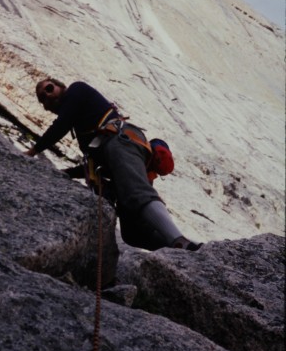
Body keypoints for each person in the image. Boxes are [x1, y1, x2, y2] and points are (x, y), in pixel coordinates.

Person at [25, 78, 202, 251]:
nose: (48, 96)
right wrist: (67, 173)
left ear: (60, 86)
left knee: (137, 193)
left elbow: (61, 125)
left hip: (120, 141)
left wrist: (33, 151)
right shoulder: (83, 127)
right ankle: (184, 250)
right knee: (133, 234)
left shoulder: (76, 90)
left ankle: (178, 241)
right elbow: (90, 165)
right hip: (117, 153)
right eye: (42, 98)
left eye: (49, 88)